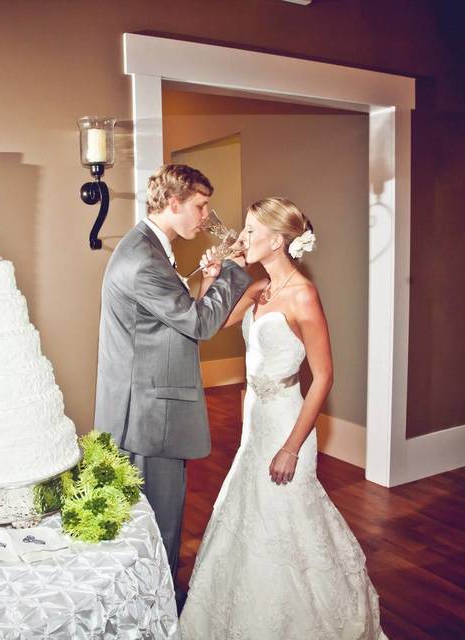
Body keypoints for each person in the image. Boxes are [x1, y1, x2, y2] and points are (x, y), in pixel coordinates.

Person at [179, 197, 386, 639]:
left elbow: (325, 377)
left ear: (277, 241)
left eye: (251, 231)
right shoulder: (257, 290)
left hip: (287, 425)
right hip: (254, 423)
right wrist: (213, 279)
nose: (241, 238)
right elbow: (207, 327)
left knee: (290, 521)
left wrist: (291, 447)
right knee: (250, 516)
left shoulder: (303, 296)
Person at [94, 164, 251, 599]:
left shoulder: (143, 245)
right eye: (200, 206)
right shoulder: (144, 259)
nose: (205, 216)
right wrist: (236, 272)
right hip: (147, 415)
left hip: (138, 405)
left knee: (141, 523)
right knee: (157, 526)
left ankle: (142, 603)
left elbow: (165, 317)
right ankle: (159, 612)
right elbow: (198, 324)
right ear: (174, 202)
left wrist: (210, 279)